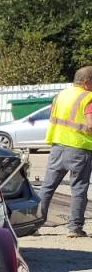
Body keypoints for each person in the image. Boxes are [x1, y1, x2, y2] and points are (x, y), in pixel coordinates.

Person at [37, 66, 92, 237]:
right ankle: (74, 228)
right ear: (87, 82)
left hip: (57, 146)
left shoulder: (61, 95)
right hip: (79, 148)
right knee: (79, 189)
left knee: (47, 187)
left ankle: (34, 225)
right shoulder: (88, 97)